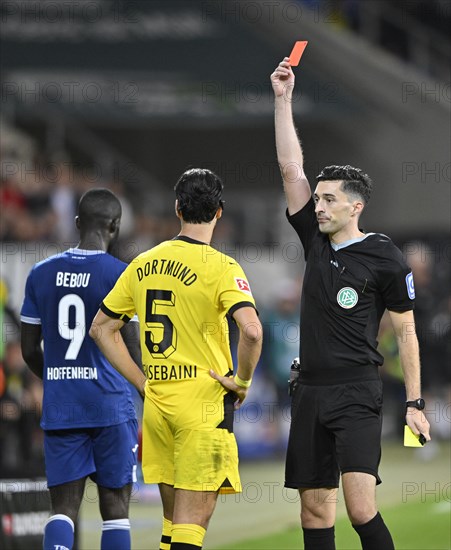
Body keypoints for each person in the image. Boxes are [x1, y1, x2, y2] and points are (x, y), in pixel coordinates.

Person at [270, 58, 431, 550]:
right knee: (315, 511)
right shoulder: (313, 241)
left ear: (355, 207)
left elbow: (405, 331)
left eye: (328, 200)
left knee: (360, 509)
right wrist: (282, 100)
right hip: (310, 392)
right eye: (316, 198)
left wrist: (414, 403)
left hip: (358, 392)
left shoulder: (385, 256)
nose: (317, 206)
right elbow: (290, 165)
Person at [90, 168, 262, 550]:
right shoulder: (222, 267)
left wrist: (140, 382)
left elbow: (102, 328)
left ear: (177, 209)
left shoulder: (142, 264)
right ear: (219, 212)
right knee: (190, 527)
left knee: (172, 527)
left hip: (158, 404)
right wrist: (243, 381)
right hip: (202, 402)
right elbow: (252, 331)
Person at [20, 188, 140, 550]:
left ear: (76, 223)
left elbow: (28, 350)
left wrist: (59, 378)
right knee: (116, 509)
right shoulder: (121, 274)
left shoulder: (40, 273)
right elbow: (133, 352)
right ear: (115, 227)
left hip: (62, 407)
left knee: (62, 510)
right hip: (110, 407)